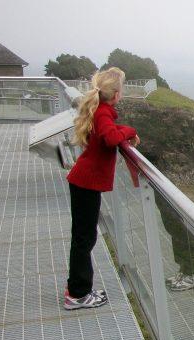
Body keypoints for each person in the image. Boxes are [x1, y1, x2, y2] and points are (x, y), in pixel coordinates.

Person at [64, 67, 140, 310]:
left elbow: (108, 133)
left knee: (83, 237)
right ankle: (77, 294)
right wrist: (131, 131)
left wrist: (123, 130)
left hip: (83, 181)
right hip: (86, 183)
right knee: (84, 239)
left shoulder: (100, 111)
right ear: (116, 94)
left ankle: (77, 289)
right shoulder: (104, 113)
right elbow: (111, 138)